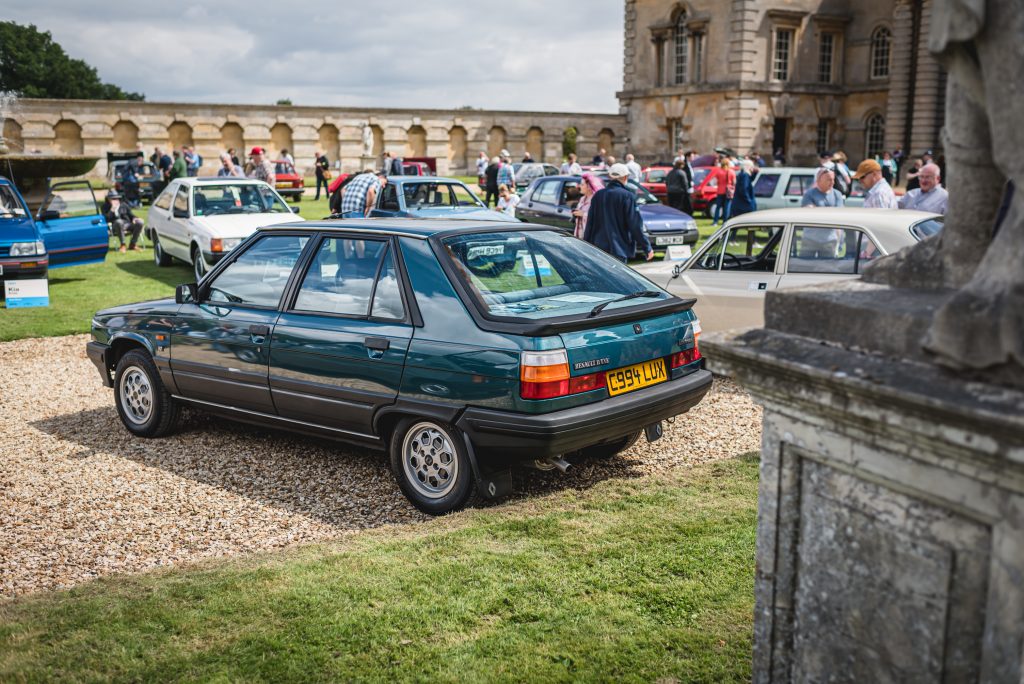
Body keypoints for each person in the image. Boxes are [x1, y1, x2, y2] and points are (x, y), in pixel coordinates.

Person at [584, 164, 652, 262]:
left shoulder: (598, 195)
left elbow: (590, 223)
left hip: (599, 248)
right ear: (625, 177)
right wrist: (647, 247)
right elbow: (635, 225)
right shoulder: (627, 196)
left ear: (610, 176)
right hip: (619, 249)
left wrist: (586, 245)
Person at [572, 172, 604, 239]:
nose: (579, 186)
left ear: (589, 187)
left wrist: (583, 214)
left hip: (591, 238)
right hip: (579, 236)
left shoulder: (596, 200)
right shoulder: (582, 199)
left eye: (582, 184)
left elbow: (600, 218)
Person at [709, 159, 735, 227]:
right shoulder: (731, 172)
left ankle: (715, 221)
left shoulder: (719, 171)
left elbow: (713, 182)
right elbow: (734, 182)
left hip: (720, 191)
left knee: (718, 207)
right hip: (728, 191)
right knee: (727, 207)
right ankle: (725, 222)